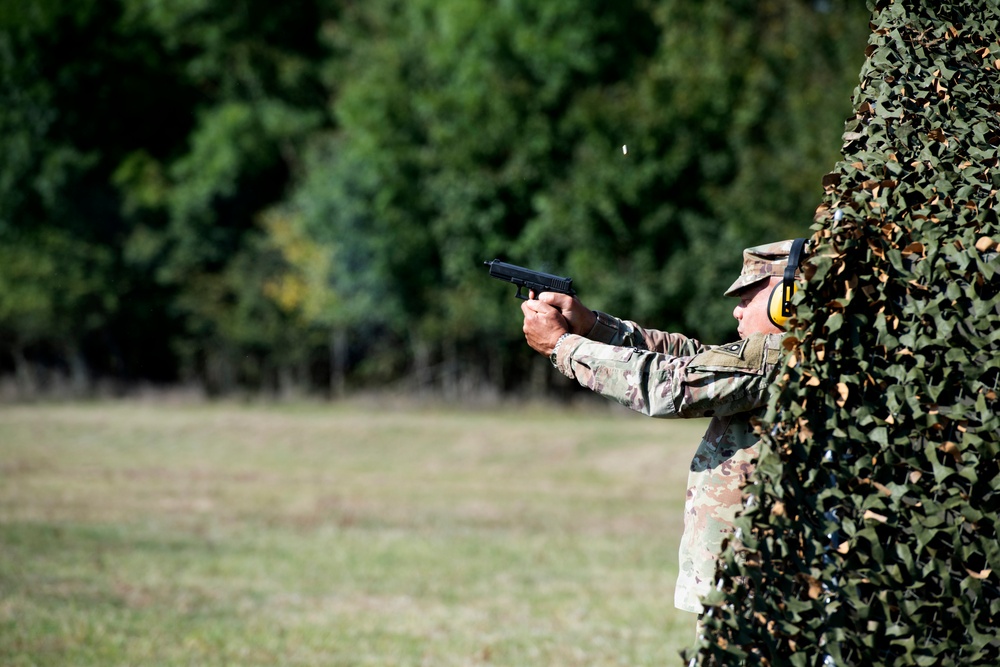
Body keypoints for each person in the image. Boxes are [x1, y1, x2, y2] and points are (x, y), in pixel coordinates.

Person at [519, 239, 805, 615]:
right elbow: (692, 359)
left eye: (748, 298)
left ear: (788, 300)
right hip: (752, 586)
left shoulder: (784, 355)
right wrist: (591, 325)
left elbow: (667, 384)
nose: (737, 312)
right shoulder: (786, 355)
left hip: (758, 593)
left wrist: (563, 346)